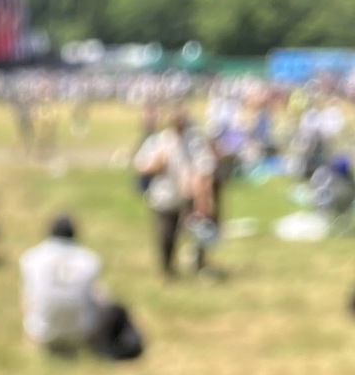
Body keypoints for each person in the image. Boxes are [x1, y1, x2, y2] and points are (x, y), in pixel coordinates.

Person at [20, 215, 141, 359]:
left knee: (27, 290)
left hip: (41, 332)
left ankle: (33, 335)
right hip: (82, 332)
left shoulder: (31, 257)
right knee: (102, 293)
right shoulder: (89, 259)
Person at [133, 110, 218, 278]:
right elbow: (141, 165)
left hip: (188, 196)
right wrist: (157, 164)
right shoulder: (159, 141)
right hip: (165, 196)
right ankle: (168, 269)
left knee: (198, 231)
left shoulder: (193, 142)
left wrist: (202, 195)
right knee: (167, 234)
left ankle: (199, 264)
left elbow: (205, 167)